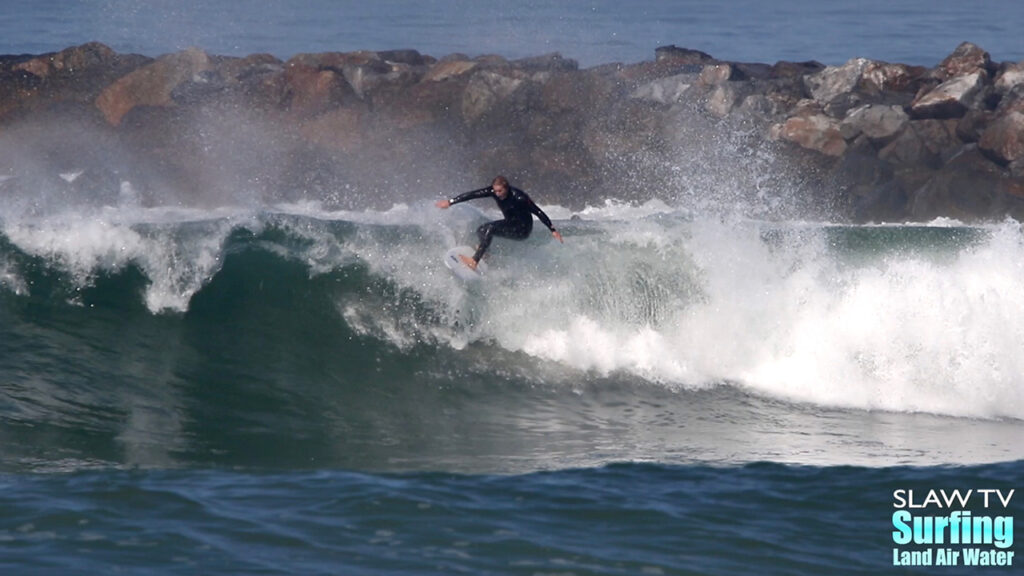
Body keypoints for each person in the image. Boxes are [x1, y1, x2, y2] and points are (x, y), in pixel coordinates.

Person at [436, 175, 563, 270]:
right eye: (495, 191)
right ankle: (485, 254)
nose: (497, 194)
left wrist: (552, 230)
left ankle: (474, 261)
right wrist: (451, 202)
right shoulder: (494, 192)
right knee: (481, 229)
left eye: (500, 191)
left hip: (522, 229)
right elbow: (473, 195)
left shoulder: (519, 198)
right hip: (510, 223)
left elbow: (538, 211)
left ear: (506, 188)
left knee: (489, 228)